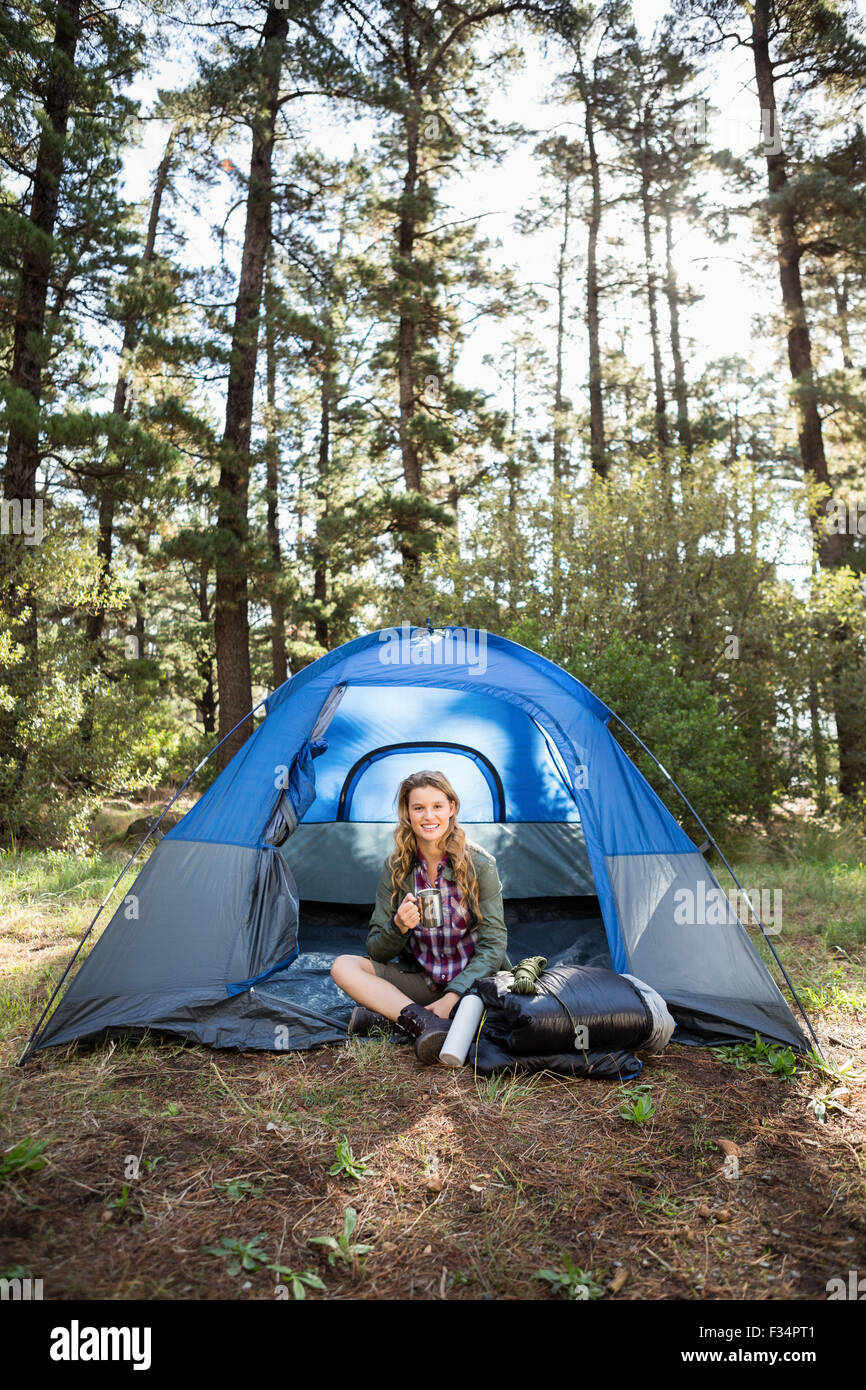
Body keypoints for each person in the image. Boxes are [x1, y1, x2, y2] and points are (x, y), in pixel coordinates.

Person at [330, 769, 509, 1064]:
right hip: (425, 981)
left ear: (451, 808)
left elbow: (494, 944)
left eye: (437, 806)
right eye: (419, 808)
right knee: (343, 966)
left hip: (472, 985)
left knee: (497, 1015)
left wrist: (453, 995)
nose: (429, 816)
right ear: (407, 813)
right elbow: (376, 950)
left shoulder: (480, 864)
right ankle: (428, 1023)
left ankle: (398, 1020)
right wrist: (398, 926)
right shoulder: (397, 867)